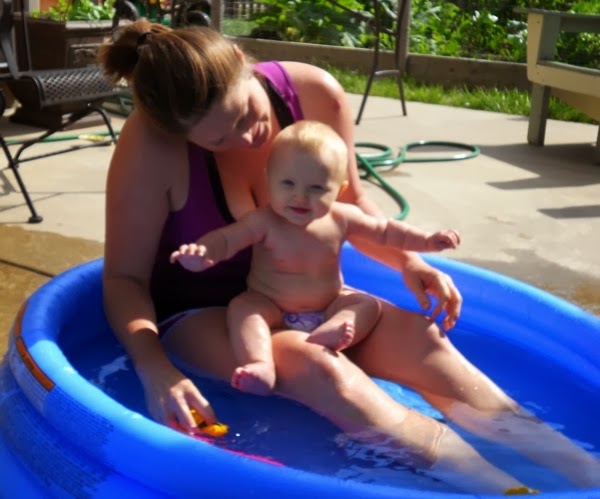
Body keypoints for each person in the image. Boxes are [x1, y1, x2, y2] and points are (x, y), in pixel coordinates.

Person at [99, 19, 600, 494]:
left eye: (246, 114)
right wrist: (156, 369)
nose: (247, 137)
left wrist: (411, 263)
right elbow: (123, 277)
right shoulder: (152, 145)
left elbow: (351, 207)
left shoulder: (313, 95)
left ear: (240, 58)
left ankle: (585, 471)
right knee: (324, 371)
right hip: (211, 313)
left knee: (424, 341)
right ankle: (503, 490)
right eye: (218, 140)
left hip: (306, 292)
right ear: (183, 134)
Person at [170, 120, 461, 397]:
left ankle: (335, 331)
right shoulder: (264, 222)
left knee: (366, 304)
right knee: (243, 309)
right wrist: (203, 252)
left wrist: (427, 241)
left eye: (316, 188)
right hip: (272, 307)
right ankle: (260, 363)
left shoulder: (342, 218)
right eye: (288, 184)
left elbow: (386, 232)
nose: (300, 196)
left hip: (328, 306)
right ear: (269, 179)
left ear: (339, 190)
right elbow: (226, 239)